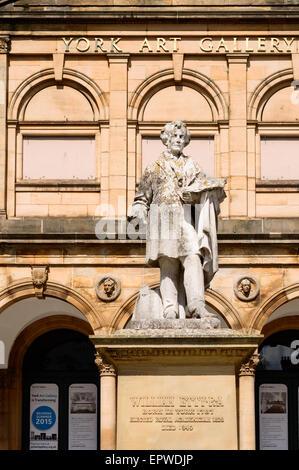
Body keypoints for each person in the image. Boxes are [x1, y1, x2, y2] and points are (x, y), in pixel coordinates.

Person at [130, 120, 226, 323]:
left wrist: (210, 189)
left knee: (193, 256)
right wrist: (138, 212)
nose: (178, 140)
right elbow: (141, 198)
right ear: (165, 139)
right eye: (174, 136)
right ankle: (170, 309)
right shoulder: (153, 168)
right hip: (162, 219)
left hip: (185, 219)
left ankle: (197, 304)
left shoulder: (193, 166)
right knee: (168, 264)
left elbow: (207, 186)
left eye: (182, 137)